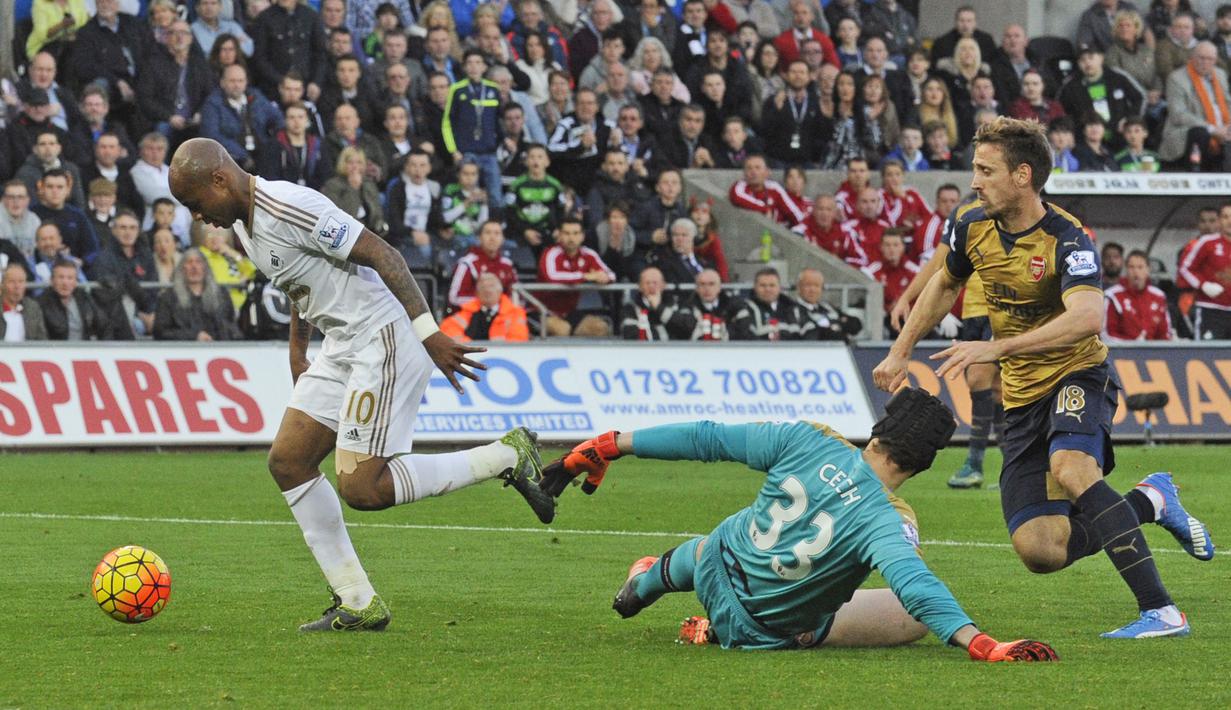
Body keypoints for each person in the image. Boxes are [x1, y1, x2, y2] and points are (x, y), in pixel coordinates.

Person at [169, 137, 554, 629]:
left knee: (363, 488)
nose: (199, 218)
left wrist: (429, 333)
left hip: (383, 336)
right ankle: (357, 601)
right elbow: (296, 283)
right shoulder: (245, 221)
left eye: (196, 205)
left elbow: (383, 252)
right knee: (288, 462)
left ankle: (505, 455)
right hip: (340, 344)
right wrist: (297, 350)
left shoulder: (291, 206)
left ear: (219, 180)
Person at [873, 116, 1214, 639]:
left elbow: (1086, 317)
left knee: (1072, 465)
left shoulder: (1067, 237)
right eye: (975, 169)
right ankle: (1150, 500)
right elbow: (944, 283)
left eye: (986, 170)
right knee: (1039, 549)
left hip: (1079, 372)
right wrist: (900, 353)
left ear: (1022, 175)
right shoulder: (971, 225)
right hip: (1023, 396)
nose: (974, 181)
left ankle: (1162, 611)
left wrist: (998, 346)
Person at [538, 390, 1059, 661]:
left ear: (876, 434)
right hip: (760, 632)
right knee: (910, 615)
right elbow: (917, 587)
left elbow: (706, 437)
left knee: (728, 538)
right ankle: (718, 627)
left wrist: (610, 444)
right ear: (921, 466)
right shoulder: (890, 518)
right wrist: (982, 643)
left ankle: (646, 582)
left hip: (717, 561)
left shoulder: (808, 438)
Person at [443, 50, 504, 211]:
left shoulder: (493, 89)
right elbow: (447, 122)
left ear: (484, 67)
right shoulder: (457, 89)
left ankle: (497, 227)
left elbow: (499, 121)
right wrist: (453, 150)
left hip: (489, 152)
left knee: (495, 194)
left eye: (478, 63)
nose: (474, 67)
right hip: (466, 152)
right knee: (469, 193)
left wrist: (503, 141)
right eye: (469, 63)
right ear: (464, 67)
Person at [536, 216, 616, 337]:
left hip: (569, 312)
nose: (571, 238)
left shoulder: (588, 254)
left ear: (582, 236)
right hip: (541, 310)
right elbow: (552, 277)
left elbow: (611, 274)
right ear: (559, 235)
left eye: (575, 233)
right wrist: (585, 276)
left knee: (600, 328)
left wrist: (604, 277)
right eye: (566, 233)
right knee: (562, 329)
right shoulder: (550, 253)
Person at [1159, 42, 1231, 171]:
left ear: (1215, 61)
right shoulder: (1176, 78)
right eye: (1201, 58)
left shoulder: (1220, 74)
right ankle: (1196, 174)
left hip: (1223, 128)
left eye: (1210, 59)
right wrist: (1212, 129)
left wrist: (1227, 128)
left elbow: (1228, 102)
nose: (1205, 62)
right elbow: (1178, 114)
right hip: (1188, 131)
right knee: (1200, 133)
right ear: (1192, 57)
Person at [152, 247, 240, 341]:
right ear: (182, 269)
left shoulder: (221, 295)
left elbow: (231, 326)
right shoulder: (167, 298)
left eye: (198, 262)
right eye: (189, 262)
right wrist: (193, 336)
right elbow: (160, 332)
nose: (194, 266)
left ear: (205, 268)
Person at [1178, 202, 1231, 339]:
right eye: (1225, 217)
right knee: (1207, 354)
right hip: (1211, 309)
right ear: (1219, 221)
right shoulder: (1207, 242)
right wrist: (1203, 285)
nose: (1229, 221)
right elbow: (1185, 268)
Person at [440, 271, 530, 342]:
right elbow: (448, 331)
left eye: (491, 286)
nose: (487, 290)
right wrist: (472, 347)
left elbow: (519, 339)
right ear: (477, 293)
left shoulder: (515, 313)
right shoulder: (467, 312)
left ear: (500, 291)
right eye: (483, 287)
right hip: (472, 356)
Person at [730, 267, 816, 340]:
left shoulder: (793, 308)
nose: (767, 289)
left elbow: (810, 333)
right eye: (763, 285)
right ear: (755, 287)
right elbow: (744, 338)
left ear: (779, 287)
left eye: (772, 285)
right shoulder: (745, 308)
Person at [1105, 249, 1173, 341]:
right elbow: (1107, 334)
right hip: (1121, 353)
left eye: (1140, 267)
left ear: (1148, 270)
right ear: (1126, 270)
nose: (1136, 272)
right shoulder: (1112, 295)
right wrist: (1133, 345)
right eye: (1131, 267)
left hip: (1153, 353)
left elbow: (1166, 335)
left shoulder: (1159, 296)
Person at [447, 220, 517, 308]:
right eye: (488, 233)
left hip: (503, 317)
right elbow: (454, 297)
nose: (492, 238)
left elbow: (517, 296)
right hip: (475, 316)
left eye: (497, 233)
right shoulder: (467, 263)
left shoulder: (507, 264)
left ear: (503, 239)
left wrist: (498, 306)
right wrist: (487, 303)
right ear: (479, 238)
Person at [862, 228, 919, 335]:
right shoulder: (870, 272)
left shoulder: (915, 271)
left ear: (903, 247)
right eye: (887, 245)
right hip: (882, 320)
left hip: (910, 318)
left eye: (896, 245)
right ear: (881, 247)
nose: (891, 249)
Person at [727, 154, 807, 228]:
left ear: (767, 172)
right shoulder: (739, 187)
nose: (753, 172)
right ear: (744, 173)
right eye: (749, 168)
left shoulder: (774, 187)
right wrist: (765, 209)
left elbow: (793, 212)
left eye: (757, 168)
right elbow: (737, 197)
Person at [795, 267, 860, 341]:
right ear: (798, 287)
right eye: (808, 285)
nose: (812, 290)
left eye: (816, 285)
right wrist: (838, 323)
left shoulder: (827, 307)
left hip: (840, 350)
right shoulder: (794, 309)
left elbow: (855, 325)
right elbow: (816, 334)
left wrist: (835, 326)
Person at [650, 217, 712, 285]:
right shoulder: (664, 264)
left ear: (693, 238)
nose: (679, 239)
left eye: (684, 235)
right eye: (675, 235)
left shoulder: (705, 262)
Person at [619, 265, 676, 340]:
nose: (651, 286)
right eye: (647, 283)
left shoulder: (675, 304)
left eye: (655, 282)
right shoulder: (630, 309)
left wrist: (659, 308)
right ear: (640, 287)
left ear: (663, 285)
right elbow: (631, 335)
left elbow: (684, 330)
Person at [1, 262, 48, 341]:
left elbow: (41, 339)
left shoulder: (32, 307)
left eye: (21, 281)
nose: (17, 286)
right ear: (2, 285)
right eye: (12, 281)